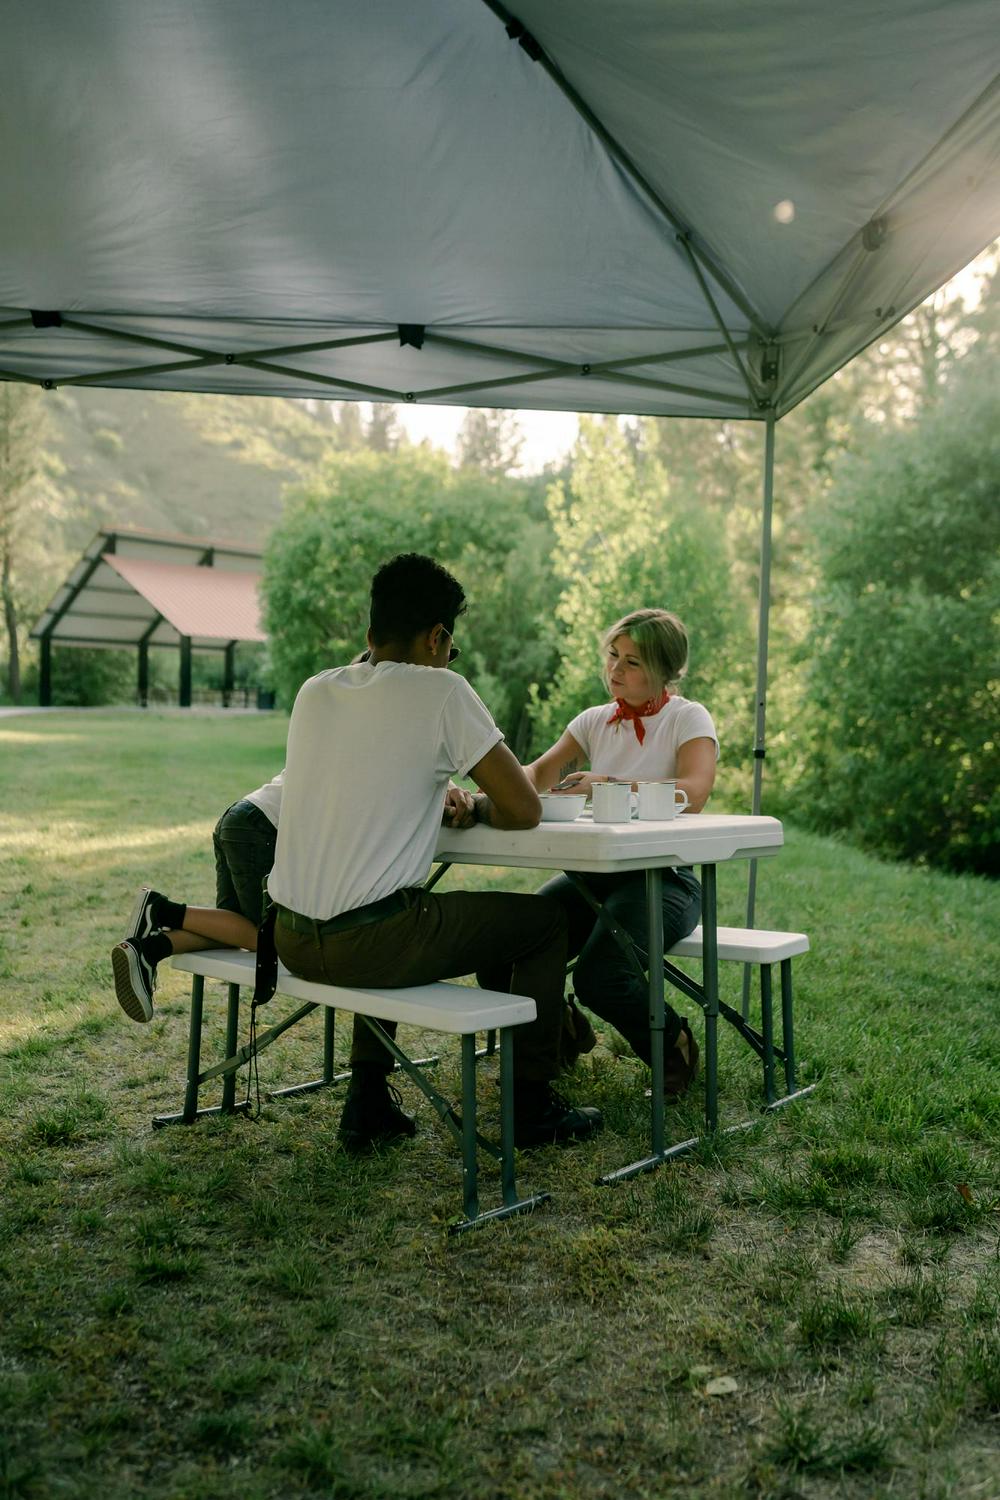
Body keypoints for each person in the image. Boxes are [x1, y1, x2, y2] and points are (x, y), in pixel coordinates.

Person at [266, 552, 602, 1153]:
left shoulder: (315, 691)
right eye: (452, 647)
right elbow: (524, 808)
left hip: (290, 938)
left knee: (390, 898)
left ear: (370, 636)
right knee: (545, 922)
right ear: (438, 637)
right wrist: (474, 807)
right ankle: (531, 1106)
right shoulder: (442, 690)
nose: (450, 659)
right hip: (368, 945)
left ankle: (368, 1104)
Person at [499, 607, 718, 1096]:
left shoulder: (688, 717)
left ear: (665, 669)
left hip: (666, 880)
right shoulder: (595, 721)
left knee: (602, 976)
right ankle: (565, 1032)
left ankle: (673, 1046)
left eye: (632, 662)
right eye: (613, 656)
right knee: (507, 946)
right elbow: (536, 774)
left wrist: (608, 785)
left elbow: (695, 791)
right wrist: (481, 795)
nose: (615, 670)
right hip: (594, 876)